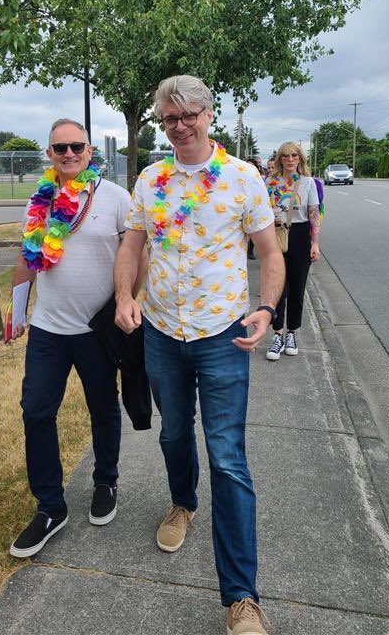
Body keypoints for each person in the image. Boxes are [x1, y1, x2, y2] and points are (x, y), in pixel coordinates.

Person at [114, 76, 285, 635]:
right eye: (169, 118)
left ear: (209, 114)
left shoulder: (242, 178)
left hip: (222, 336)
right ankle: (182, 502)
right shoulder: (149, 178)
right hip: (163, 332)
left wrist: (266, 307)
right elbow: (133, 244)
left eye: (189, 114)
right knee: (171, 435)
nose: (180, 124)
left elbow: (268, 250)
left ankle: (242, 598)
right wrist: (123, 297)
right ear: (161, 123)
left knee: (229, 458)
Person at [8, 118, 146, 559]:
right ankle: (51, 506)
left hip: (96, 330)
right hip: (48, 328)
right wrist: (15, 312)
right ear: (49, 154)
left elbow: (137, 253)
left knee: (103, 408)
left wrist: (127, 301)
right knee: (35, 411)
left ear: (90, 152)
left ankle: (105, 480)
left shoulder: (116, 198)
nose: (68, 154)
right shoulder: (40, 200)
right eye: (59, 148)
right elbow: (28, 259)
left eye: (76, 147)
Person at [265, 141, 321, 361]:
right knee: (278, 288)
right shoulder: (269, 182)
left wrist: (315, 243)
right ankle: (277, 334)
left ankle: (292, 333)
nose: (290, 160)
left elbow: (314, 215)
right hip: (275, 234)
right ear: (280, 159)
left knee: (298, 288)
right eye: (286, 156)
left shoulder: (308, 183)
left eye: (294, 156)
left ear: (300, 159)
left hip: (299, 235)